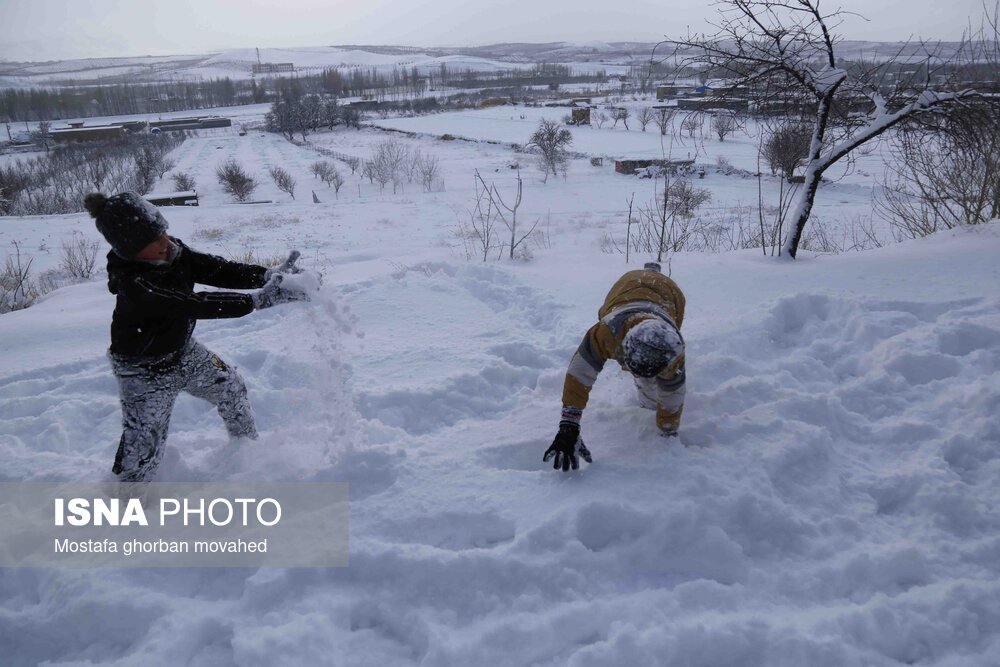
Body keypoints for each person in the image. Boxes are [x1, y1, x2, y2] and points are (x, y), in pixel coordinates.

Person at [84, 191, 310, 482]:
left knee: (231, 387)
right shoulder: (136, 283)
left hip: (184, 353)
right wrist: (258, 301)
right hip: (142, 371)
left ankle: (247, 452)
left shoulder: (172, 252)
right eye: (153, 240)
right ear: (130, 249)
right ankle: (127, 505)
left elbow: (215, 269)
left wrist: (265, 276)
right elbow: (192, 303)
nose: (164, 242)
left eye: (162, 231)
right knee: (143, 447)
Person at [544, 262, 686, 471]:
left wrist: (668, 433)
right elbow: (579, 373)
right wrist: (569, 424)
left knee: (658, 384)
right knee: (647, 379)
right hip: (625, 287)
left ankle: (648, 395)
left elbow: (673, 392)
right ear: (623, 346)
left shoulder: (673, 351)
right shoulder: (607, 332)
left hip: (670, 293)